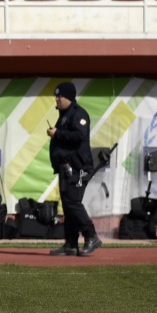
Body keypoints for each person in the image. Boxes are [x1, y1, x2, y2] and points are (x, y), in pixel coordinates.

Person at [47, 82, 101, 257]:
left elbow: (79, 136)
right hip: (66, 168)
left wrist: (57, 134)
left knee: (72, 203)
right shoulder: (64, 116)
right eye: (56, 96)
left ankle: (91, 235)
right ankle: (70, 243)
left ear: (68, 97)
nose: (57, 99)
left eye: (59, 96)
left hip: (78, 167)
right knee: (68, 206)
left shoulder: (78, 114)